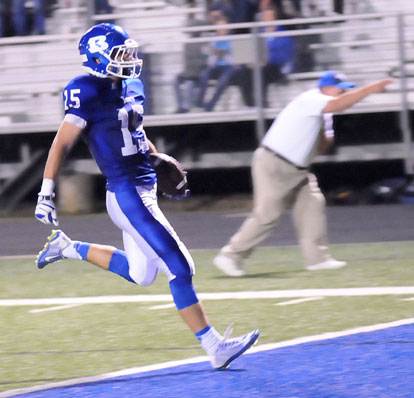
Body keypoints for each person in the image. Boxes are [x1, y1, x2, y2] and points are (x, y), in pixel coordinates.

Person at [34, 23, 259, 369]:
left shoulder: (131, 84)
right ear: (96, 57)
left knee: (142, 274)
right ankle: (215, 347)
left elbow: (134, 131)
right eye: (120, 54)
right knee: (180, 267)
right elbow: (62, 143)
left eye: (129, 52)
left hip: (143, 187)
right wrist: (47, 191)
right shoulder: (85, 90)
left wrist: (156, 158)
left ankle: (67, 247)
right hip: (126, 193)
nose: (129, 59)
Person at [213, 71, 393, 276]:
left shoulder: (323, 112)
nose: (342, 92)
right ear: (326, 87)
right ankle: (231, 255)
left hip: (297, 170)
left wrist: (326, 133)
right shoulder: (311, 98)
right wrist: (371, 89)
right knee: (267, 215)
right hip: (275, 163)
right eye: (340, 88)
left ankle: (317, 259)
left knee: (313, 204)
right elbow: (340, 104)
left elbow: (322, 148)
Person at [196, 17, 236, 112]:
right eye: (219, 27)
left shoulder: (233, 40)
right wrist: (216, 52)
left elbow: (234, 60)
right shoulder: (212, 40)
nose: (222, 29)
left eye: (224, 27)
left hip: (228, 67)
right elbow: (210, 61)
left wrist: (221, 54)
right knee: (204, 75)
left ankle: (210, 105)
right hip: (215, 67)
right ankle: (199, 104)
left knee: (223, 80)